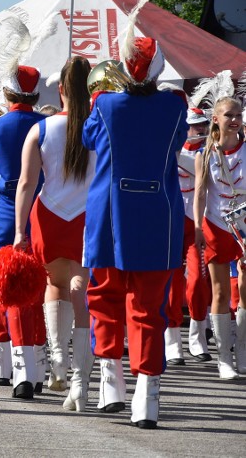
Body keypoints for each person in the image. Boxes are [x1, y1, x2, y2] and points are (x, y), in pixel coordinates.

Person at [83, 36, 187, 429]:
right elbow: (177, 141)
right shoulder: (176, 106)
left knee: (105, 295)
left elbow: (88, 139)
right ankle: (148, 396)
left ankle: (111, 383)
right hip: (159, 213)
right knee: (150, 306)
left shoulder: (104, 103)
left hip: (110, 211)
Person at [13, 56, 96, 410]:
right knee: (80, 292)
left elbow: (26, 184)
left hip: (47, 216)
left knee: (53, 285)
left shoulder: (41, 129)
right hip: (87, 218)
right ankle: (80, 380)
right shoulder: (99, 127)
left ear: (59, 90)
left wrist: (19, 232)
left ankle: (58, 361)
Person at [0, 63, 47, 399]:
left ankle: (4, 362)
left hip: (3, 213)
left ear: (7, 92)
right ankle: (40, 363)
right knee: (40, 290)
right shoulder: (47, 125)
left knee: (1, 285)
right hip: (43, 212)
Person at [193, 96, 246, 379]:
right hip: (216, 224)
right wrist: (198, 227)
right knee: (221, 291)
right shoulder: (206, 153)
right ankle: (224, 357)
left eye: (238, 114)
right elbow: (200, 192)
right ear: (216, 118)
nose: (235, 119)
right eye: (229, 114)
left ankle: (243, 351)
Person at [174, 108, 212, 363]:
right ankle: (172, 340)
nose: (200, 129)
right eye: (194, 125)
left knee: (197, 280)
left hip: (196, 224)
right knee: (171, 283)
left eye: (202, 125)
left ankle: (197, 338)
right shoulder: (169, 149)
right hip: (171, 222)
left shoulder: (206, 153)